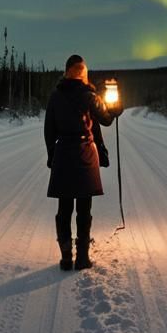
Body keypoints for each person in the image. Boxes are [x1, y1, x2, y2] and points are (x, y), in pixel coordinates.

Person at [45, 54, 121, 270]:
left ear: (66, 72)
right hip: (85, 153)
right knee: (83, 209)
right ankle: (82, 258)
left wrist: (52, 155)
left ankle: (66, 257)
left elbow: (49, 130)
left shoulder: (56, 96)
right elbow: (106, 119)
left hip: (63, 154)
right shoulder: (89, 95)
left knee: (64, 208)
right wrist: (115, 108)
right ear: (82, 72)